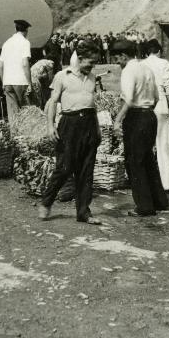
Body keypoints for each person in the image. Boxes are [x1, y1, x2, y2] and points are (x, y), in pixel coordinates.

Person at [38, 40, 103, 225]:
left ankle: (83, 212)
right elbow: (52, 103)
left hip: (89, 124)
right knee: (64, 168)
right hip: (69, 125)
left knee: (86, 170)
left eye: (95, 63)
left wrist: (97, 129)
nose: (92, 66)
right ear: (80, 59)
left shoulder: (91, 77)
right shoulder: (62, 76)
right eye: (90, 62)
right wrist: (50, 126)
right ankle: (46, 202)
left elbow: (93, 105)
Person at [111, 40, 169, 217]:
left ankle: (144, 206)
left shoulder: (129, 70)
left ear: (122, 55)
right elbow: (157, 96)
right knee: (148, 160)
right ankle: (159, 201)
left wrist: (117, 120)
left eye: (117, 59)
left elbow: (128, 99)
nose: (118, 63)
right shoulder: (146, 69)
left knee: (135, 162)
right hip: (150, 115)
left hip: (136, 117)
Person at [140, 39, 169, 192]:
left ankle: (147, 182)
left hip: (145, 106)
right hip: (161, 105)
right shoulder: (164, 63)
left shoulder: (141, 64)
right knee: (164, 145)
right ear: (159, 51)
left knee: (146, 146)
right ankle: (168, 183)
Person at [0, 19, 33, 118]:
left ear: (15, 29)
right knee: (26, 113)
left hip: (7, 82)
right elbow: (25, 64)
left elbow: (0, 66)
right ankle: (26, 133)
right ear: (26, 30)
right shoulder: (25, 42)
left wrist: (3, 82)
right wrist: (29, 83)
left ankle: (14, 133)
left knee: (13, 113)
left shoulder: (6, 43)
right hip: (20, 81)